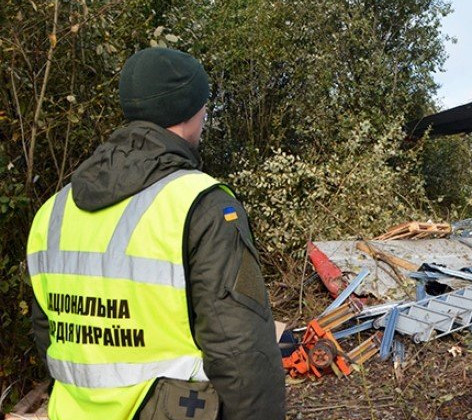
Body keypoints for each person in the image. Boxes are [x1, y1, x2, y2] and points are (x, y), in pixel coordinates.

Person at [26, 48, 285, 420]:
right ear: (190, 112)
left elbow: (47, 334)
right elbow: (240, 351)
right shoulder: (201, 206)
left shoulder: (53, 213)